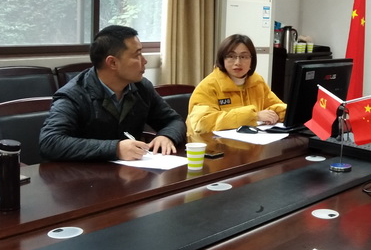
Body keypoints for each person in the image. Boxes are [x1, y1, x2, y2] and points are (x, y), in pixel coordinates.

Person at [39, 25, 186, 161]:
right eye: (137, 55)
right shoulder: (74, 95)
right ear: (113, 63)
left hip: (130, 173)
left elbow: (174, 121)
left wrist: (167, 136)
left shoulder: (141, 87)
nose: (144, 61)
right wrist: (115, 149)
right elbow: (50, 142)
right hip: (83, 175)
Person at [187, 34, 286, 134]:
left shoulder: (257, 82)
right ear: (222, 59)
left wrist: (280, 114)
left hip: (250, 140)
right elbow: (202, 123)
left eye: (244, 57)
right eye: (231, 56)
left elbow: (277, 106)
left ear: (252, 61)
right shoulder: (208, 86)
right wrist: (253, 116)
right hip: (212, 142)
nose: (238, 62)